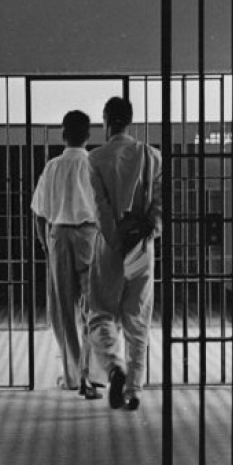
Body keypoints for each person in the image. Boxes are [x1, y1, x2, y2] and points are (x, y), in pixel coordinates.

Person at [87, 96, 162, 411]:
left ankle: (114, 367)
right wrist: (147, 233)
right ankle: (134, 391)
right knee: (137, 319)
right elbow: (160, 205)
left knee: (101, 313)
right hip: (142, 248)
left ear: (106, 121)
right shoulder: (151, 156)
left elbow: (100, 207)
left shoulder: (95, 158)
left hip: (109, 247)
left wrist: (116, 240)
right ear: (130, 121)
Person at [30, 109, 102, 399]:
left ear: (63, 134)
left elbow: (38, 214)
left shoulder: (53, 167)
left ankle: (72, 375)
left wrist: (46, 244)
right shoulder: (94, 165)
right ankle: (91, 372)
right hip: (89, 236)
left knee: (63, 309)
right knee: (94, 306)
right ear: (88, 135)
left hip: (59, 235)